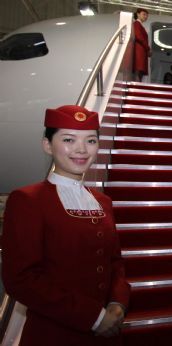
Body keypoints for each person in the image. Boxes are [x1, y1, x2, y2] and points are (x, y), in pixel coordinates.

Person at [1, 105, 130, 345]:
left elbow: (115, 262)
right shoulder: (27, 200)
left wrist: (117, 303)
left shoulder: (103, 201)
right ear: (47, 145)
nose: (81, 149)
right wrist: (94, 317)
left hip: (107, 333)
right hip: (55, 334)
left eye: (91, 140)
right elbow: (21, 280)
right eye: (69, 139)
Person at [133, 8, 151, 82]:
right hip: (139, 50)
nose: (145, 16)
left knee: (140, 70)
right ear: (138, 14)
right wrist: (148, 48)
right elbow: (139, 37)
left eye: (147, 15)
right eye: (144, 14)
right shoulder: (136, 24)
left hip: (142, 50)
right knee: (139, 69)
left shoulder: (139, 25)